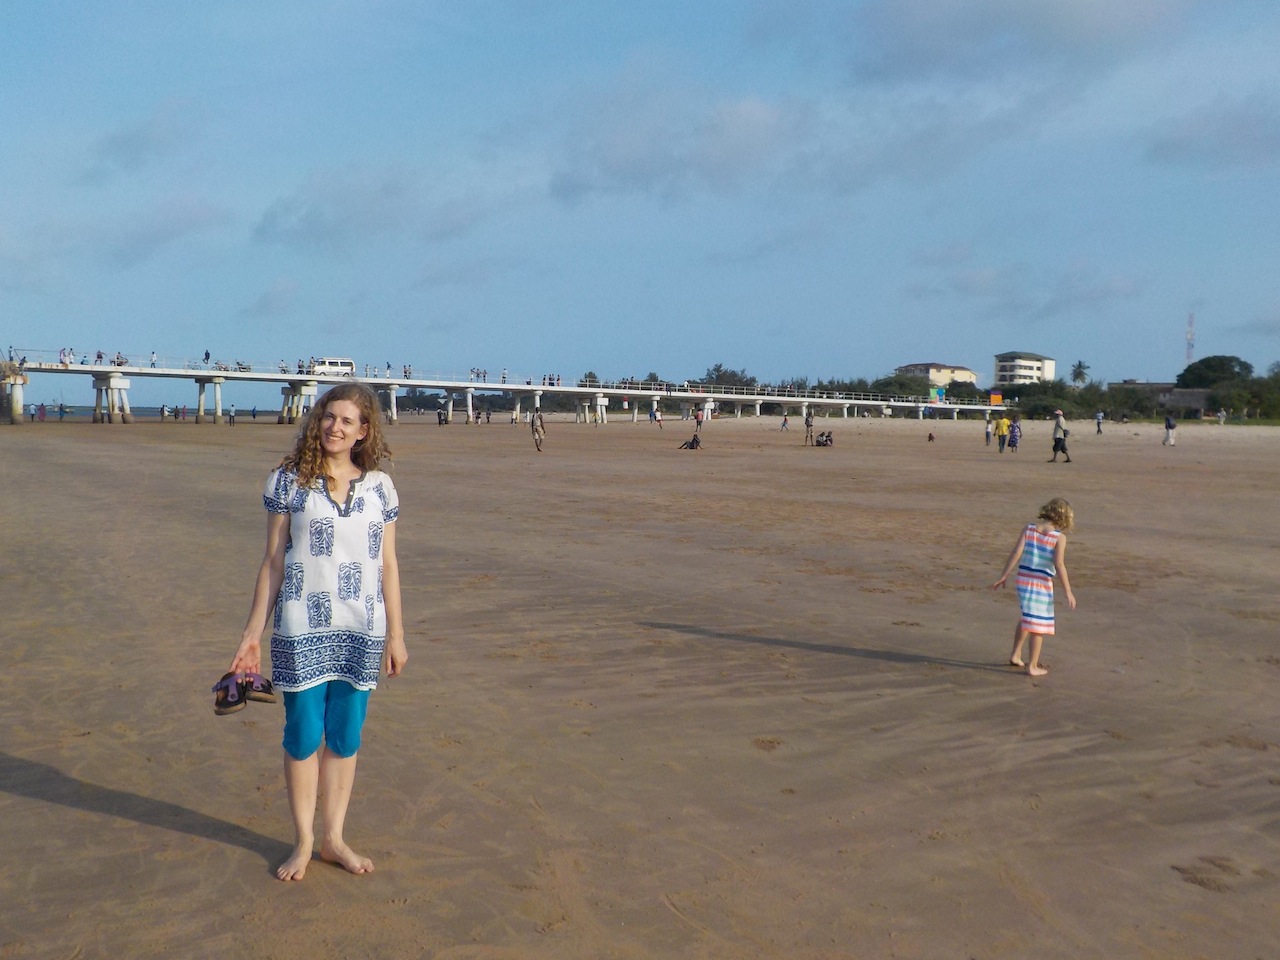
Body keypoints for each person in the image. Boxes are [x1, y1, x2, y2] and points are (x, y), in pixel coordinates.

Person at [225, 383, 406, 881]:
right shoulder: (289, 481)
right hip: (301, 626)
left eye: (347, 421)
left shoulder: (380, 488)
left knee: (345, 736)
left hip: (362, 629)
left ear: (363, 431)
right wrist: (251, 634)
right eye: (328, 417)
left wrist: (396, 634)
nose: (335, 427)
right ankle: (304, 840)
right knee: (303, 734)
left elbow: (388, 565)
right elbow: (272, 562)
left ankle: (334, 838)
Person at [991, 497, 1077, 677]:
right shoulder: (1058, 538)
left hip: (1023, 580)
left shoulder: (1029, 529)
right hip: (1041, 584)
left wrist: (1004, 575)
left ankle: (1016, 654)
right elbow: (1059, 565)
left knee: (1027, 617)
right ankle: (1032, 666)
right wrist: (1068, 591)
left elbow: (1016, 553)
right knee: (1038, 625)